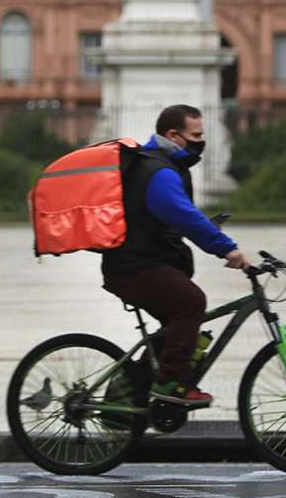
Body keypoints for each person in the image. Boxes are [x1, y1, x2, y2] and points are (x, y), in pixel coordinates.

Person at [101, 104, 250, 408]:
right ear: (173, 135)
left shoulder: (162, 165)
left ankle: (131, 400)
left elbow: (170, 220)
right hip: (135, 267)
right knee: (190, 302)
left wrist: (209, 229)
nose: (201, 142)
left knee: (176, 332)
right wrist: (227, 248)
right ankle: (171, 384)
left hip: (136, 263)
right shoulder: (160, 172)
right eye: (195, 135)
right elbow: (184, 216)